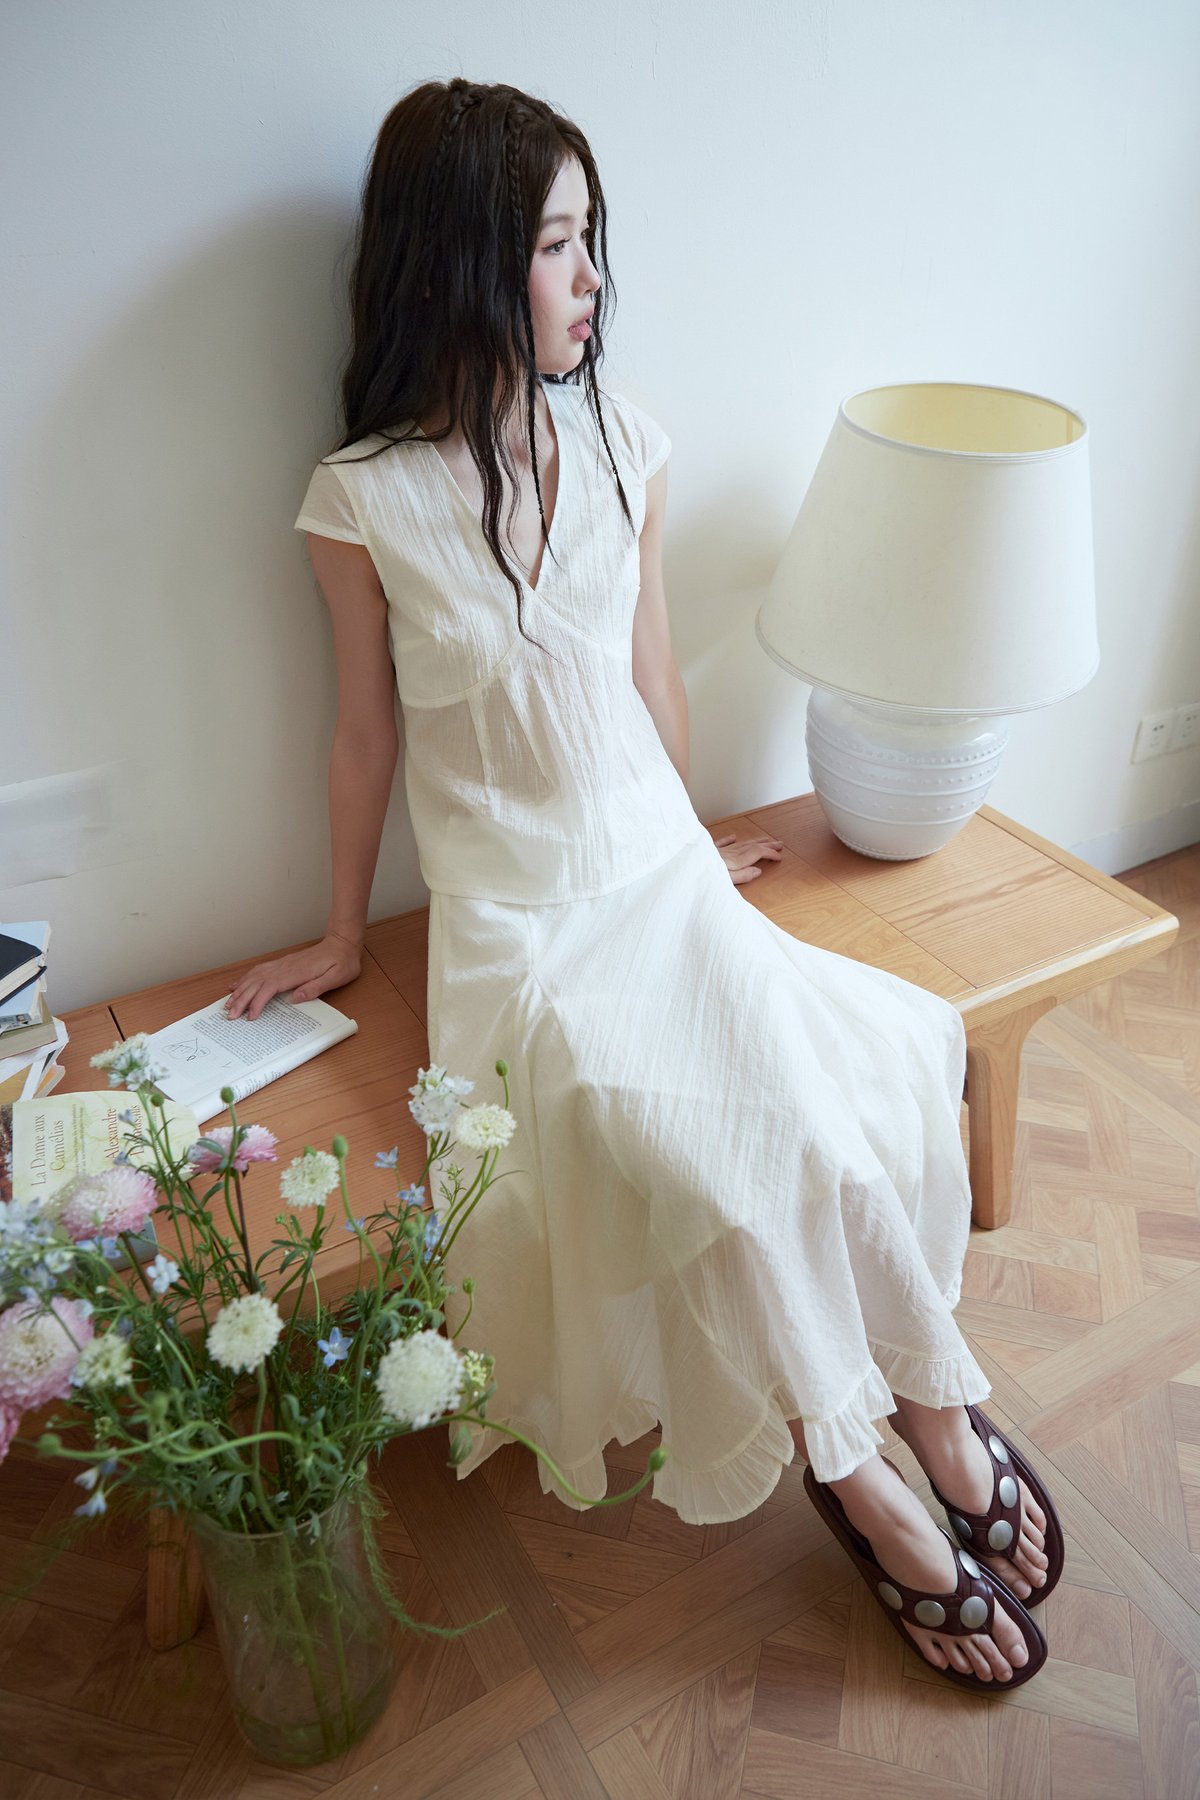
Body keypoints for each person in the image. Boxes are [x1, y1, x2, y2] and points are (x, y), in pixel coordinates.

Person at [223, 77, 1063, 1691]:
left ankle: (941, 1414)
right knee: (705, 1169)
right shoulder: (363, 498)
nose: (594, 276)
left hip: (658, 876)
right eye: (558, 244)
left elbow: (650, 677)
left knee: (833, 1104)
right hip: (522, 931)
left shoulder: (627, 441)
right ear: (464, 262)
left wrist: (690, 840)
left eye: (591, 237)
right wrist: (337, 934)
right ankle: (859, 1476)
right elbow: (361, 740)